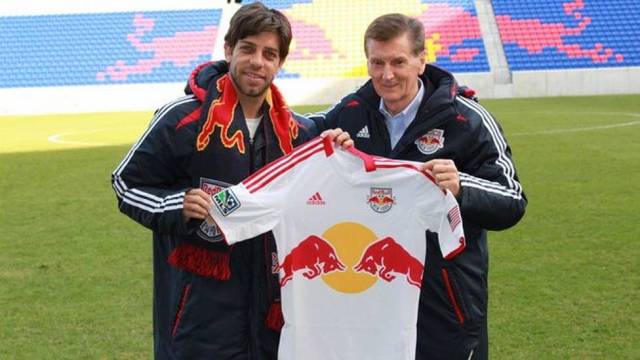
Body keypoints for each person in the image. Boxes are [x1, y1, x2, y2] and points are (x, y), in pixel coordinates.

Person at [112, 2, 350, 359]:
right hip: (200, 314)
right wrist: (175, 204)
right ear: (229, 50)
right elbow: (126, 183)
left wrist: (336, 147)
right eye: (249, 49)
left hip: (272, 312)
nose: (258, 62)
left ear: (280, 63)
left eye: (270, 54)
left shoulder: (298, 132)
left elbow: (324, 181)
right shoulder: (183, 119)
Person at [309, 13, 527, 360]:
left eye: (398, 61)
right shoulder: (351, 111)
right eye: (376, 62)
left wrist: (461, 185)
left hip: (446, 305)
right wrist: (325, 141)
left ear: (421, 61)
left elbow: (513, 201)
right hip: (372, 299)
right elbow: (296, 132)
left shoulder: (465, 119)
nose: (386, 74)